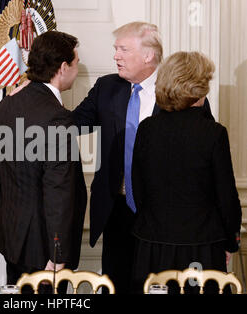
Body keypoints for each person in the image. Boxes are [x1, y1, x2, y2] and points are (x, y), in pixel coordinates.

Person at [72, 22, 214, 293]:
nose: (116, 56)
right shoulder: (106, 88)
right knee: (118, 285)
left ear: (148, 55)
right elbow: (71, 124)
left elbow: (204, 155)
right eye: (116, 49)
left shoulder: (182, 91)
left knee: (159, 286)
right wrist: (37, 94)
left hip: (165, 216)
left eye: (123, 49)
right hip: (117, 210)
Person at [130, 51, 242, 294]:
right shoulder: (213, 133)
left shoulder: (146, 129)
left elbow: (137, 189)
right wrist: (231, 242)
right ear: (198, 88)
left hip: (152, 245)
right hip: (201, 246)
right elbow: (226, 196)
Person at [0, 31, 87, 291]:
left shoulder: (6, 106)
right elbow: (59, 190)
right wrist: (58, 254)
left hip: (12, 237)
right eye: (76, 63)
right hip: (44, 248)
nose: (77, 70)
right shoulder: (56, 117)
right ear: (63, 67)